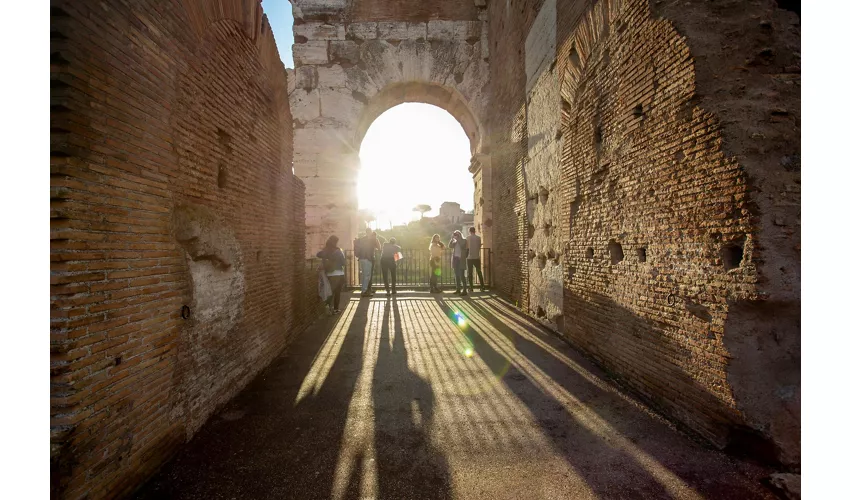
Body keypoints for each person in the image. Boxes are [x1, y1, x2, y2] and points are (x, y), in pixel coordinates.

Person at [317, 235, 346, 314]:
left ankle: (328, 306)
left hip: (329, 274)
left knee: (330, 292)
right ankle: (336, 309)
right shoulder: (338, 251)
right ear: (336, 242)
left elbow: (318, 254)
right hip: (339, 274)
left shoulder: (325, 250)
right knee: (337, 293)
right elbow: (344, 263)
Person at [356, 232, 381, 297]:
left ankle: (366, 290)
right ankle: (364, 291)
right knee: (367, 276)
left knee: (364, 275)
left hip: (361, 259)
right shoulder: (373, 239)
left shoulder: (362, 239)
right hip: (368, 259)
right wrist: (376, 239)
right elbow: (379, 248)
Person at [449, 230, 469, 296]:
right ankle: (458, 289)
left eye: (457, 234)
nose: (456, 235)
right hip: (455, 259)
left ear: (460, 234)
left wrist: (458, 239)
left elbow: (463, 246)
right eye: (455, 234)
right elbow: (450, 246)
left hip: (461, 259)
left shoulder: (464, 240)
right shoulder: (454, 241)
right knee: (456, 275)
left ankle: (464, 290)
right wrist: (452, 239)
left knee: (462, 275)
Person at [466, 227, 485, 292]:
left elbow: (466, 247)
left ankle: (471, 288)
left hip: (469, 257)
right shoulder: (478, 238)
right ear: (475, 231)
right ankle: (482, 286)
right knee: (479, 272)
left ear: (469, 231)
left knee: (470, 273)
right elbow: (479, 246)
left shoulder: (468, 238)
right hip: (477, 257)